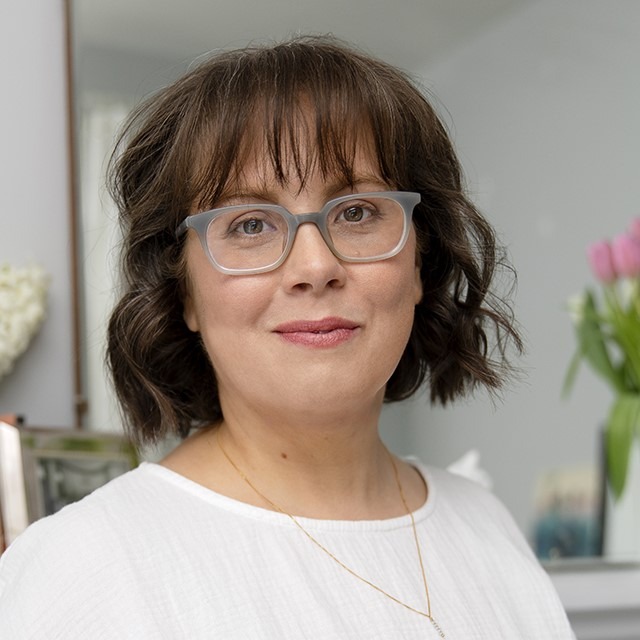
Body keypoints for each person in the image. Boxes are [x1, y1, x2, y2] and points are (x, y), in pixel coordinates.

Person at [0, 36, 575, 638]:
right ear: (184, 291)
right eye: (250, 224)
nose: (314, 267)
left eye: (356, 212)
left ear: (419, 264)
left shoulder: (485, 521)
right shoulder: (83, 571)